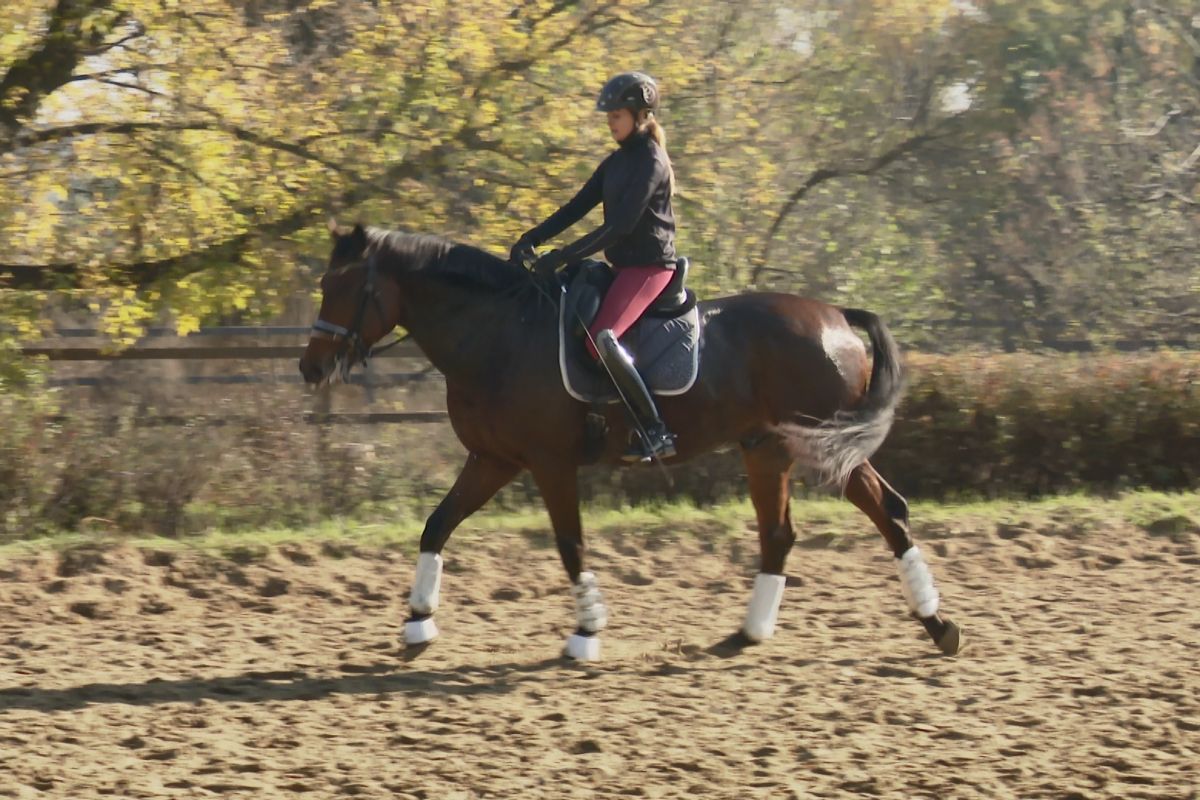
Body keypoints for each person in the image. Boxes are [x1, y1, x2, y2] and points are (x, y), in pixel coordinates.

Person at [510, 71, 679, 462]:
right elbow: (575, 207)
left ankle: (655, 429)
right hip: (622, 269)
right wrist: (532, 238)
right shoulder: (615, 162)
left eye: (617, 114)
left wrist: (563, 256)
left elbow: (618, 227)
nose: (610, 121)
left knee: (601, 337)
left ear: (640, 115)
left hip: (650, 269)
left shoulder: (652, 162)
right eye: (609, 115)